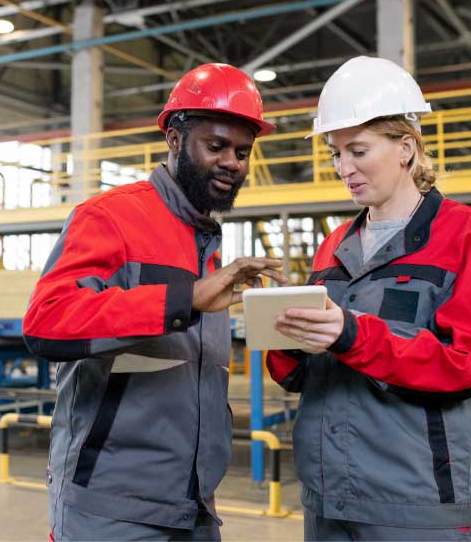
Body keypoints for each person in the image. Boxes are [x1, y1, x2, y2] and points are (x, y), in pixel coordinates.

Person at [23, 63, 286, 541]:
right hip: (111, 509)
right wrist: (185, 298)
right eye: (216, 145)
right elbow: (47, 321)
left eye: (244, 152)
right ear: (174, 139)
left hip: (194, 506)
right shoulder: (111, 218)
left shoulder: (206, 242)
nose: (233, 162)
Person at [267, 56, 471, 542]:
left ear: (406, 148)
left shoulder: (461, 232)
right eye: (335, 153)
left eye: (357, 150)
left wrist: (350, 333)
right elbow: (304, 377)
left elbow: (462, 366)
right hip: (328, 496)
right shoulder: (335, 243)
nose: (342, 168)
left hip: (412, 503)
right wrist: (284, 336)